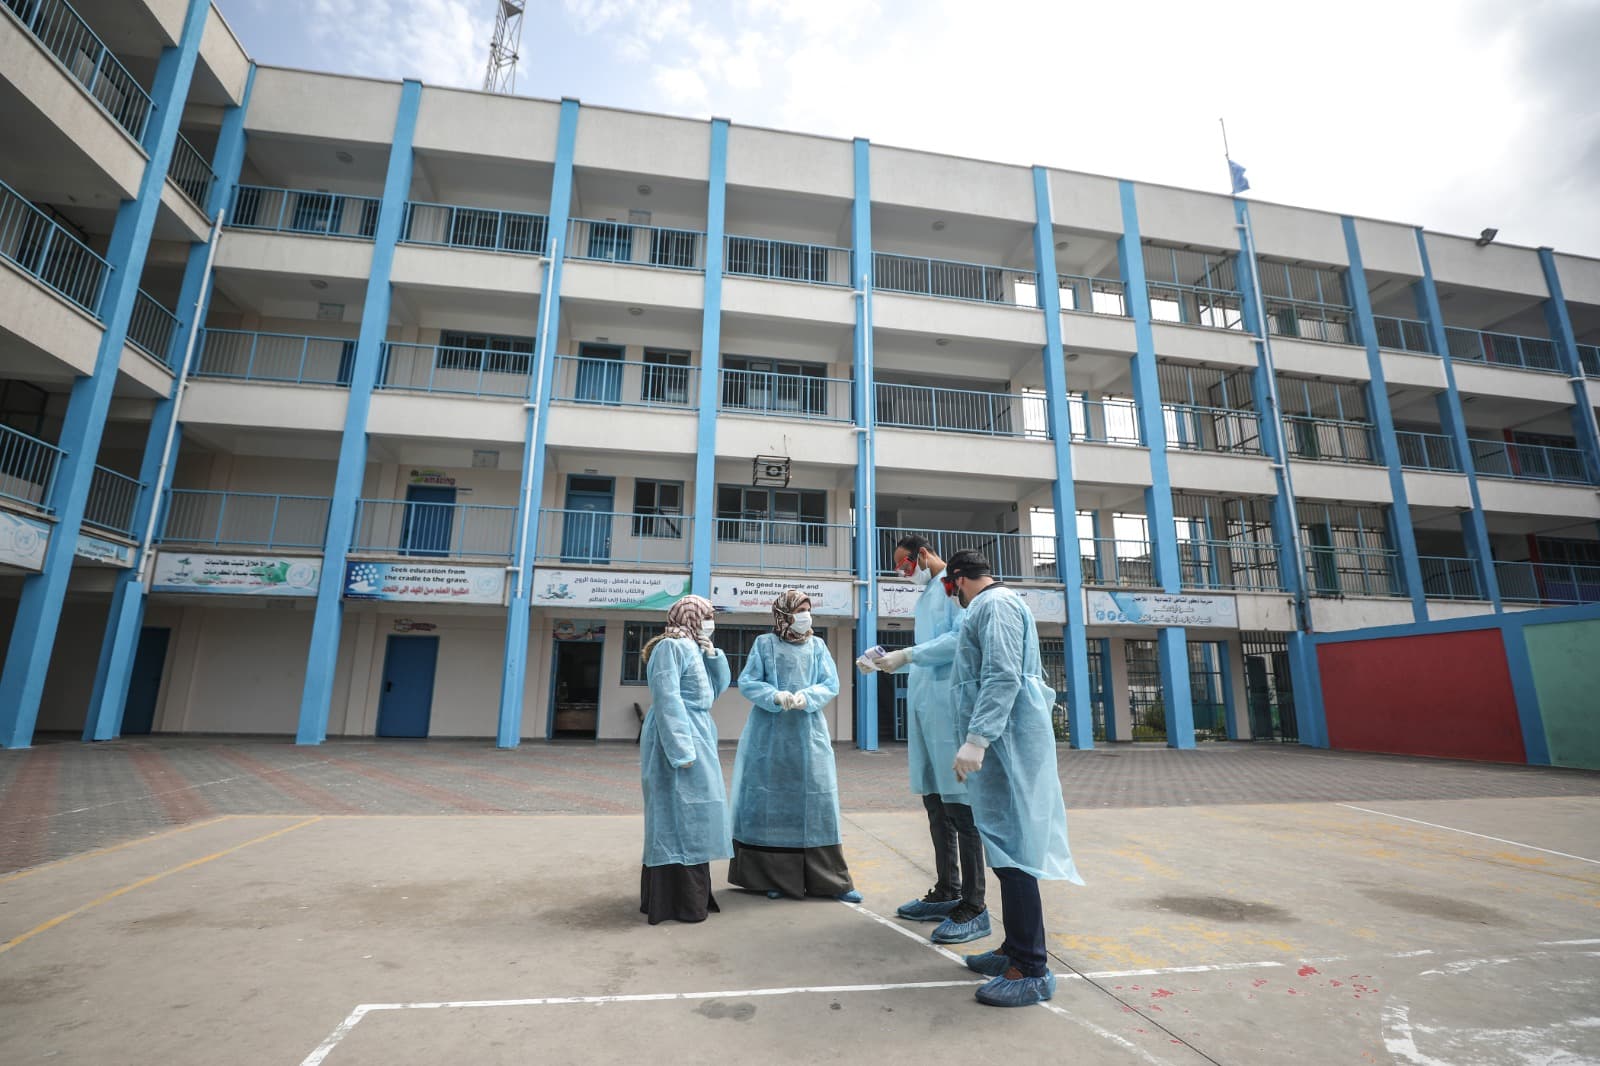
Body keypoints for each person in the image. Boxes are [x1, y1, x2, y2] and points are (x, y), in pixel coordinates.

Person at [942, 549, 1083, 1007]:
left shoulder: (995, 605)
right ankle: (1012, 950)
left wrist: (978, 738)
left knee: (1015, 855)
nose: (952, 595)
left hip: (1005, 744)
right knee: (1004, 851)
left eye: (950, 587)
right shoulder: (991, 606)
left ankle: (1031, 968)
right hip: (1001, 745)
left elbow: (1001, 675)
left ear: (960, 578)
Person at [858, 536, 988, 945]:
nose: (902, 572)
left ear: (924, 555)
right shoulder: (928, 594)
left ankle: (974, 905)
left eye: (904, 564)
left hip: (949, 710)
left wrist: (908, 655)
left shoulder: (953, 588)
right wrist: (887, 663)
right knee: (935, 803)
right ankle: (947, 890)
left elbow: (957, 643)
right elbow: (926, 654)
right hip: (926, 708)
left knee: (960, 810)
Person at [728, 589, 861, 902]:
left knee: (817, 801)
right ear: (784, 614)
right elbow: (748, 682)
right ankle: (772, 878)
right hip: (769, 737)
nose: (805, 615)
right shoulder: (765, 644)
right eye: (799, 609)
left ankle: (830, 881)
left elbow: (830, 683)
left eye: (808, 609)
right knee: (771, 804)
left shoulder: (817, 646)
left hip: (808, 733)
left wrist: (808, 697)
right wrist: (774, 696)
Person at [639, 594, 732, 925]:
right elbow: (667, 698)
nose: (711, 622)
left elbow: (712, 692)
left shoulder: (693, 646)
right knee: (675, 811)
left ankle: (693, 896)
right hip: (675, 737)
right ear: (692, 616)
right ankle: (673, 900)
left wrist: (713, 655)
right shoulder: (671, 647)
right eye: (707, 615)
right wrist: (681, 749)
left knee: (697, 811)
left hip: (698, 732)